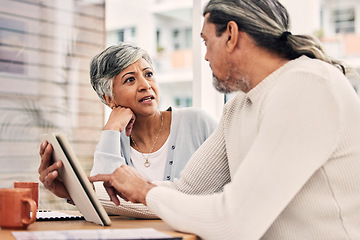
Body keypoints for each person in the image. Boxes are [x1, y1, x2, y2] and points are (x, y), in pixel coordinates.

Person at [88, 0, 360, 239]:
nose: (204, 56)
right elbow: (186, 190)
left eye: (206, 42)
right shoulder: (240, 107)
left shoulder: (305, 86)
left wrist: (145, 190)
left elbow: (233, 223)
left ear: (230, 35)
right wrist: (76, 192)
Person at [38, 43, 218, 217]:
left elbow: (198, 198)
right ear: (109, 99)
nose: (145, 85)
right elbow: (109, 202)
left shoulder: (198, 123)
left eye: (148, 74)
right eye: (130, 79)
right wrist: (111, 129)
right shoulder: (113, 141)